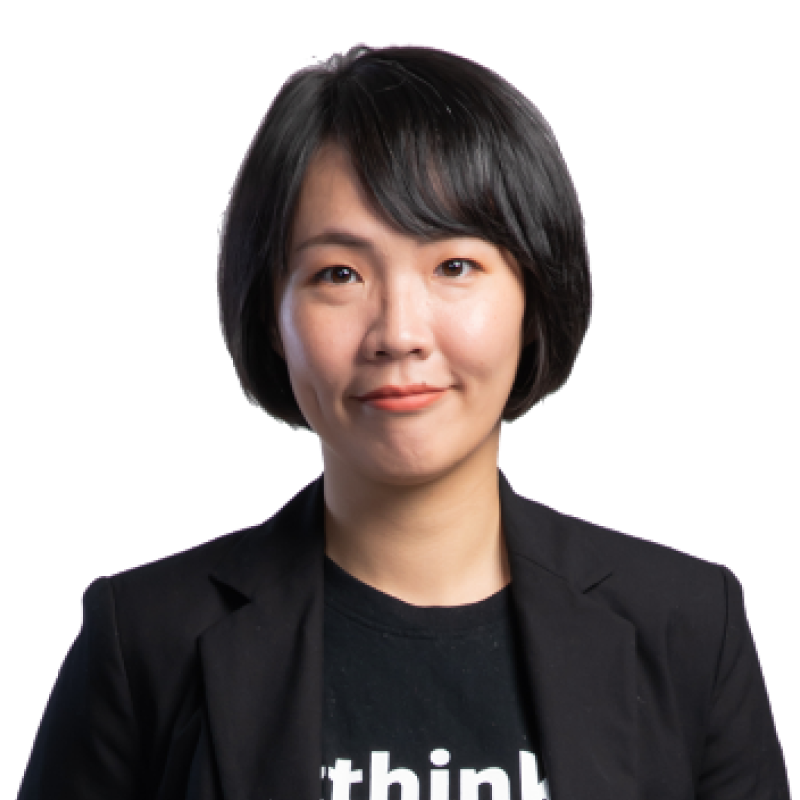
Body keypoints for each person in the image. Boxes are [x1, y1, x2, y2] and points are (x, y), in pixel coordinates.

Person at [17, 44, 789, 800]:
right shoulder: (145, 643)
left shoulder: (687, 628)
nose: (399, 332)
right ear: (271, 318)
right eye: (339, 274)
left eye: (454, 266)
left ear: (533, 296)